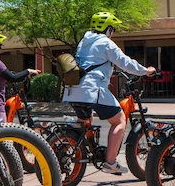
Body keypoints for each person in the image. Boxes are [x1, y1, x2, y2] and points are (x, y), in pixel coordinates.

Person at [63, 12, 156, 174]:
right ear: (107, 29)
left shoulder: (84, 41)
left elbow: (90, 62)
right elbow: (125, 62)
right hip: (92, 89)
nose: (112, 33)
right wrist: (145, 71)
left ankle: (79, 149)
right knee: (119, 120)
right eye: (112, 29)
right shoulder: (106, 43)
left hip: (73, 89)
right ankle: (110, 162)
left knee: (84, 120)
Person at [0, 31, 40, 121]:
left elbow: (0, 75)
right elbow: (13, 78)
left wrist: (23, 75)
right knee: (2, 134)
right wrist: (27, 71)